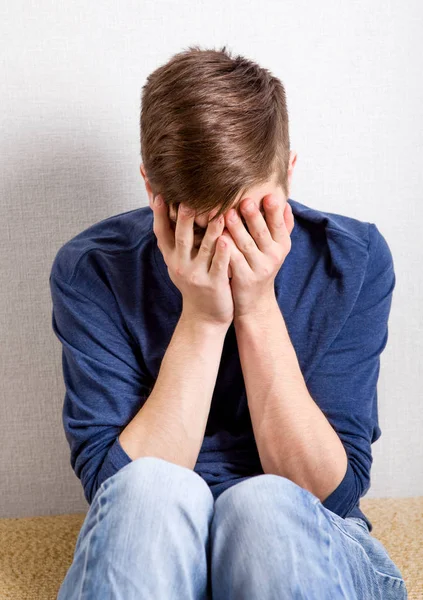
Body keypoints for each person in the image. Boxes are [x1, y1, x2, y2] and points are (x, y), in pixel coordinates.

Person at [50, 46, 408, 599]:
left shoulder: (353, 260)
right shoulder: (93, 269)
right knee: (147, 489)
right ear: (153, 191)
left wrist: (257, 307)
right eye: (201, 225)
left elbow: (331, 494)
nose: (228, 248)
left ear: (288, 173)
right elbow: (111, 492)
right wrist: (203, 316)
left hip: (304, 536)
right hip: (155, 543)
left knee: (262, 505)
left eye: (251, 217)